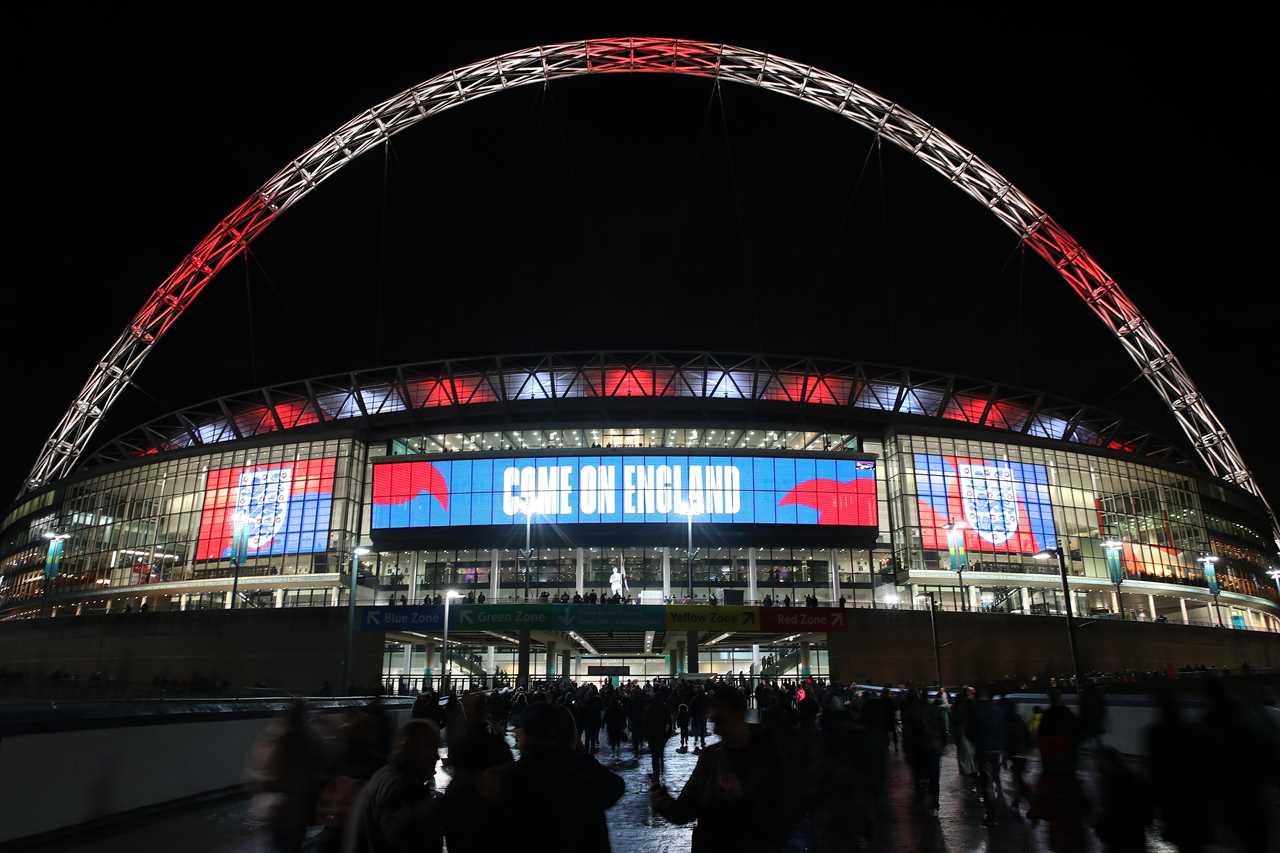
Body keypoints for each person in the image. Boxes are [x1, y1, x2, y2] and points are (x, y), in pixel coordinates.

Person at [651, 685, 788, 853]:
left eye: (722, 720)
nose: (716, 730)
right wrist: (665, 804)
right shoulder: (711, 757)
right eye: (714, 721)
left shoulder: (768, 755)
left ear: (739, 715)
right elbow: (687, 808)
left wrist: (742, 797)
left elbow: (781, 817)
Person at [485, 703, 624, 853]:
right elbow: (614, 786)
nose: (516, 734)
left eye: (521, 731)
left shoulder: (503, 780)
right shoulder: (586, 775)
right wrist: (577, 752)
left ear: (529, 735)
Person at [342, 719, 444, 853]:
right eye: (431, 748)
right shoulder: (402, 788)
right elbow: (404, 839)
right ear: (414, 749)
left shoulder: (387, 776)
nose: (437, 757)